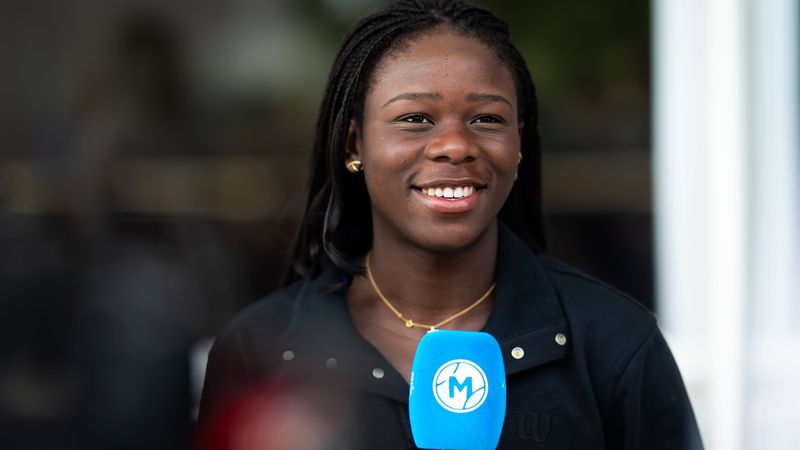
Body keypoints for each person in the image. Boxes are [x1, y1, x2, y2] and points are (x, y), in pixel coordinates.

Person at [197, 1, 703, 449]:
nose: (456, 145)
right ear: (355, 145)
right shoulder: (259, 348)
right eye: (415, 118)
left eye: (487, 119)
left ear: (519, 143)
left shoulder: (614, 342)